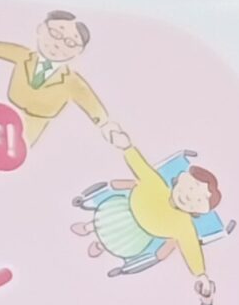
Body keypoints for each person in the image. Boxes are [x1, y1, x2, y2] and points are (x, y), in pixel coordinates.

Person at [72, 119, 228, 285]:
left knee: (118, 242)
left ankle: (100, 246)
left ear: (200, 211)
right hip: (122, 210)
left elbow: (192, 249)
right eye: (191, 188)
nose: (189, 197)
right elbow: (141, 167)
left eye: (198, 200)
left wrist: (201, 274)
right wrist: (126, 146)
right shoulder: (156, 183)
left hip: (137, 236)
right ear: (182, 178)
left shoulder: (184, 226)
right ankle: (89, 227)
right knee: (105, 220)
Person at [0, 7, 108, 148]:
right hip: (4, 111)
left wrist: (105, 124)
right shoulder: (24, 55)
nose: (58, 44)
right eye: (55, 34)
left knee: (12, 153)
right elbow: (2, 49)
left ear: (78, 52)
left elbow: (89, 101)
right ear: (41, 29)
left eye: (70, 43)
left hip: (34, 124)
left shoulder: (72, 81)